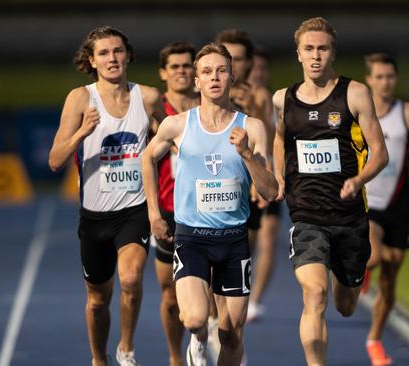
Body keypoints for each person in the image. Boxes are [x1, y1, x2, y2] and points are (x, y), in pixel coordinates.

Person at [142, 43, 277, 366]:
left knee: (231, 332)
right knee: (194, 319)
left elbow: (270, 190)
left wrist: (247, 155)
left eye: (220, 70)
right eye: (206, 72)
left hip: (233, 240)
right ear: (197, 81)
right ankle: (198, 342)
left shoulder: (252, 127)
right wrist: (153, 214)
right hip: (191, 238)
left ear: (232, 76)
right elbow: (146, 158)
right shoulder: (177, 125)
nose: (214, 77)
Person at [272, 17, 388, 366]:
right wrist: (279, 176)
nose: (316, 55)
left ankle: (351, 278)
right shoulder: (283, 100)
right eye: (309, 49)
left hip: (350, 216)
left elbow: (380, 153)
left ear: (332, 51)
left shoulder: (354, 94)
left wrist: (359, 180)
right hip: (306, 213)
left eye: (322, 48)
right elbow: (279, 138)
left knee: (345, 305)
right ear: (298, 54)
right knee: (314, 293)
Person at [48, 26, 166, 366]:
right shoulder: (80, 99)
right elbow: (55, 160)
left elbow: (171, 136)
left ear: (128, 55)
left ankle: (126, 349)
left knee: (130, 278)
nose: (112, 58)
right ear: (92, 60)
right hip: (95, 217)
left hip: (134, 209)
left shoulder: (147, 97)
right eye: (103, 53)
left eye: (117, 51)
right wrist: (82, 132)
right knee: (98, 300)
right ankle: (99, 358)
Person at [362, 53, 409, 366]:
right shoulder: (360, 112)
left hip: (398, 202)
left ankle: (374, 339)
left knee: (390, 277)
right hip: (367, 200)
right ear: (369, 80)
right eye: (379, 76)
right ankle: (359, 266)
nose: (385, 82)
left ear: (395, 79)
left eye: (390, 76)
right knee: (374, 255)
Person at [215, 29, 279, 323]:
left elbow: (270, 137)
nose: (232, 65)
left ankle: (234, 318)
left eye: (238, 59)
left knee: (245, 252)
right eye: (227, 58)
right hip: (215, 185)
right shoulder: (208, 89)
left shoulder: (259, 95)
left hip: (251, 183)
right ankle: (214, 319)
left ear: (249, 63)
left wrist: (251, 106)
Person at [154, 41, 200, 366]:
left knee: (210, 292)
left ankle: (203, 341)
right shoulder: (154, 113)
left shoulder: (209, 107)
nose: (182, 71)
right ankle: (175, 357)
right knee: (170, 296)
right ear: (163, 73)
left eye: (187, 65)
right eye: (175, 66)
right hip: (170, 212)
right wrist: (152, 213)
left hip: (207, 211)